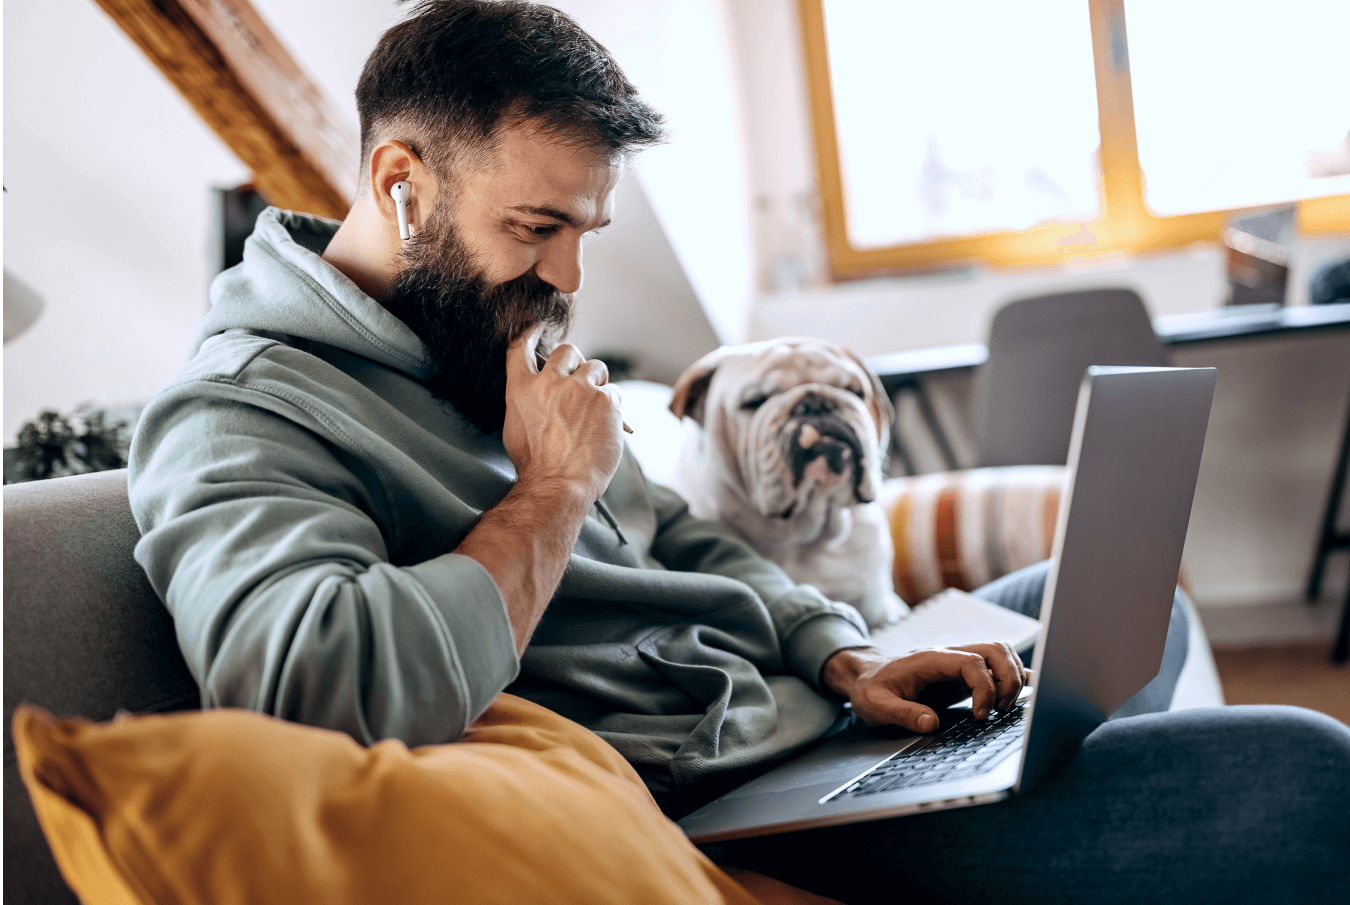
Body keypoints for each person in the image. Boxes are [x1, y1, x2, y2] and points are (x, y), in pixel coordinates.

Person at [128, 2, 1349, 901]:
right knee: (1302, 772)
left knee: (1141, 623)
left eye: (585, 230)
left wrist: (842, 650)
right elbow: (306, 686)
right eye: (538, 226)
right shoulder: (239, 412)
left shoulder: (487, 328)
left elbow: (687, 537)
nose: (567, 278)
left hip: (808, 720)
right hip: (731, 803)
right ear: (401, 182)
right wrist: (552, 491)